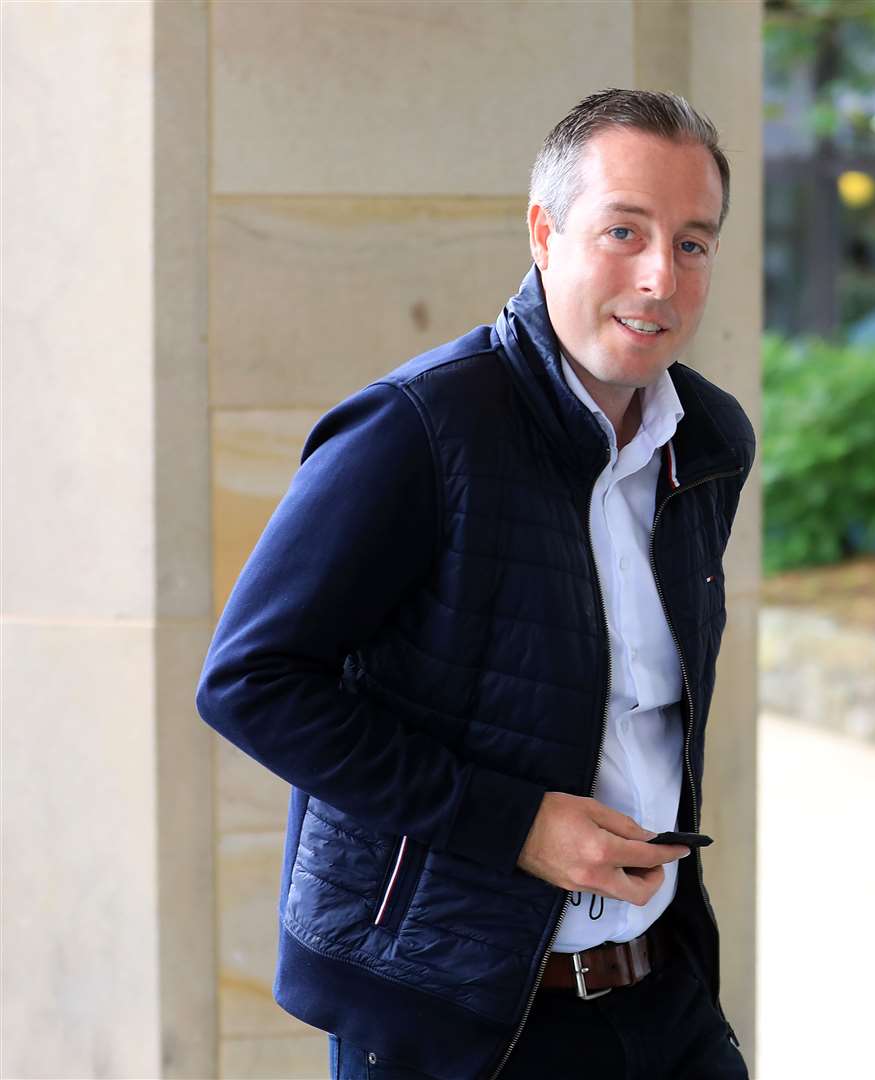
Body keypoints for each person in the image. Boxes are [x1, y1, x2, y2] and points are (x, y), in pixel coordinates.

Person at [196, 88, 755, 1080]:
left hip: (664, 997)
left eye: (693, 243)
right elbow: (251, 681)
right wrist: (517, 828)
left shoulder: (707, 439)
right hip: (455, 1025)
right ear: (544, 233)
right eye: (622, 231)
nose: (659, 275)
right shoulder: (417, 430)